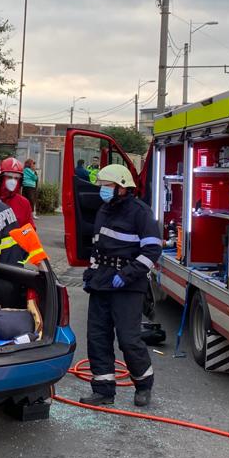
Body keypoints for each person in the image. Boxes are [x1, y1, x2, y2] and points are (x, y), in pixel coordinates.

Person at [80, 163, 161, 408]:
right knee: (97, 337)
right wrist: (91, 272)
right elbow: (98, 245)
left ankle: (143, 385)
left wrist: (127, 274)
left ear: (122, 187)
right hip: (101, 282)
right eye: (102, 185)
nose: (103, 190)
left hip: (127, 285)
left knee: (128, 338)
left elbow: (152, 250)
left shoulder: (140, 212)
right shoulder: (104, 209)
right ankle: (103, 390)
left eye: (107, 185)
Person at [0, 157, 34, 227]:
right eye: (9, 177)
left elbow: (30, 228)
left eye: (16, 178)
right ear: (1, 178)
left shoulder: (24, 203)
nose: (13, 181)